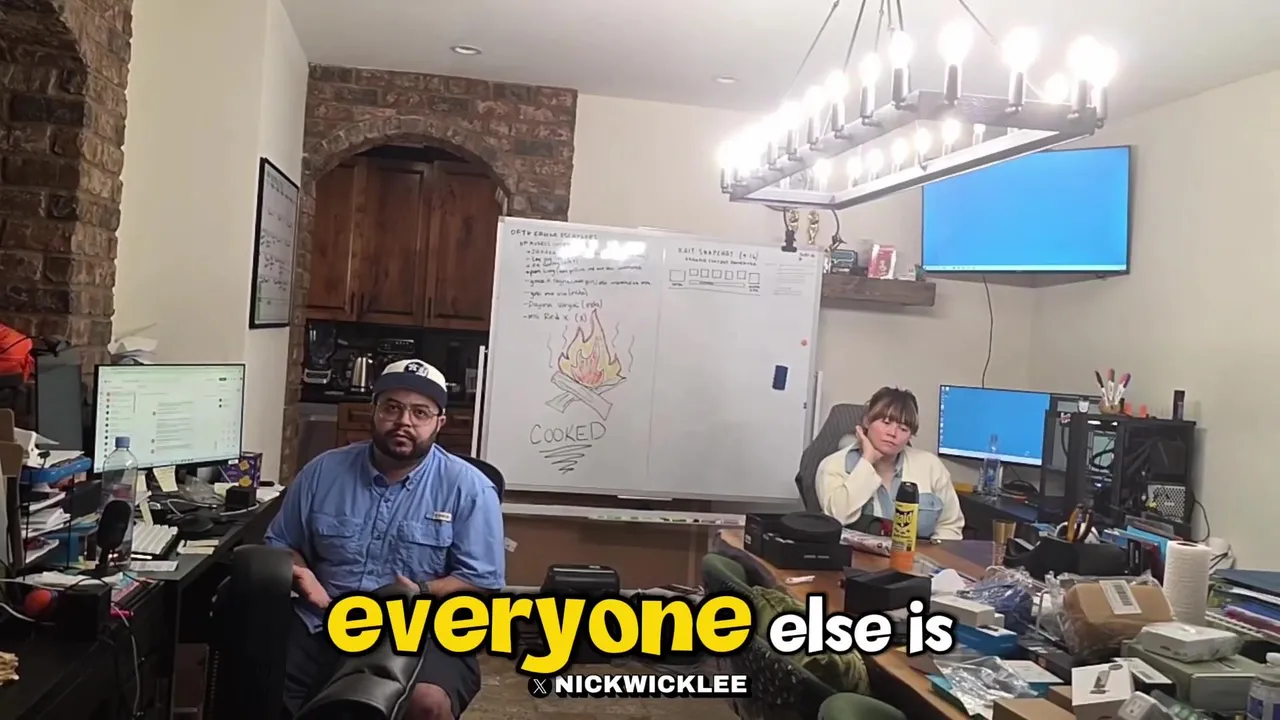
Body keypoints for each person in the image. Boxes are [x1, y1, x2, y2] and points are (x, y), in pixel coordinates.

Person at [266, 359, 505, 720]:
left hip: (421, 629)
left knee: (427, 702)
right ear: (374, 411)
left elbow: (481, 580)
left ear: (439, 422)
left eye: (420, 412)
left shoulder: (470, 489)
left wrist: (422, 592)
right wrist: (302, 576)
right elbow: (281, 543)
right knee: (257, 677)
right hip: (323, 617)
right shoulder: (321, 472)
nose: (404, 421)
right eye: (392, 408)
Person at [814, 386, 964, 540]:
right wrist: (867, 461)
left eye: (903, 429)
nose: (893, 433)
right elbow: (837, 517)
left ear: (910, 436)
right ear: (867, 422)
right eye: (886, 423)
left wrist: (932, 552)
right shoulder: (833, 465)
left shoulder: (931, 466)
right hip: (855, 554)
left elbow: (950, 526)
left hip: (917, 553)